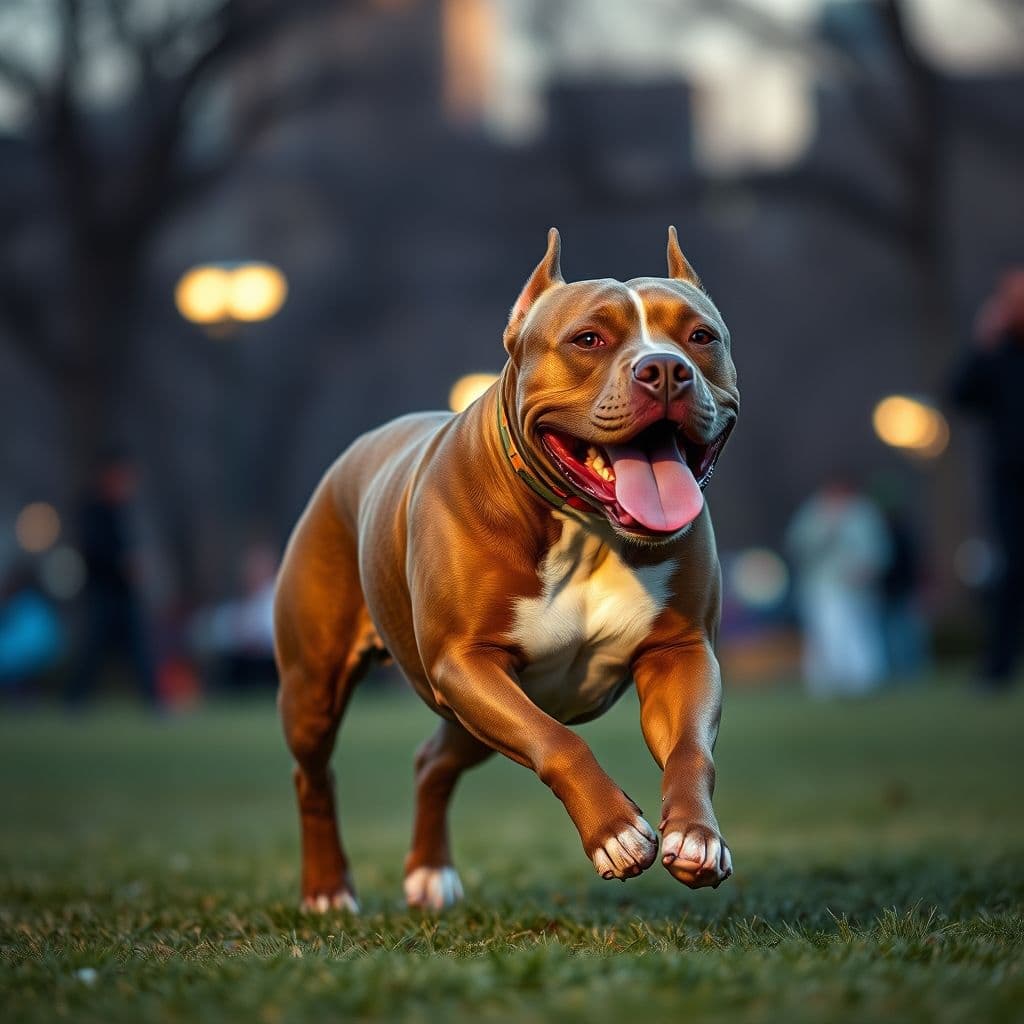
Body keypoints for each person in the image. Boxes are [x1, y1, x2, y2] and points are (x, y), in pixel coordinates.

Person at [950, 268, 1024, 692]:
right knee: (1013, 568)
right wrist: (983, 342)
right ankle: (999, 667)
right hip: (1011, 479)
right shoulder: (998, 354)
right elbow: (961, 394)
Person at [65, 451, 157, 707]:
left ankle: (154, 701)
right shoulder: (92, 510)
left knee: (140, 650)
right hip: (102, 593)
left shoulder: (122, 510)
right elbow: (92, 551)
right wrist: (121, 564)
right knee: (92, 651)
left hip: (123, 594)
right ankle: (74, 699)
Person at [786, 479, 891, 697]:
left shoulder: (862, 513)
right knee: (825, 634)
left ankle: (862, 678)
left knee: (858, 632)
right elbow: (799, 545)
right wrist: (827, 530)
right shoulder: (814, 512)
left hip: (857, 587)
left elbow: (877, 548)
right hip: (821, 585)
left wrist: (867, 569)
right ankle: (828, 681)